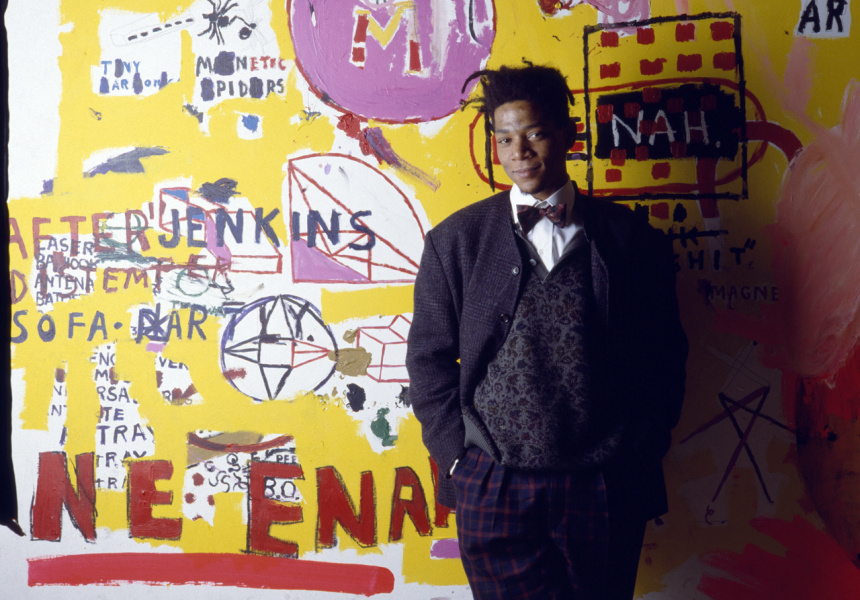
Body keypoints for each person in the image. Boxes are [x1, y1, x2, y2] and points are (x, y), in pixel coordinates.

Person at [406, 64, 688, 599]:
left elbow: (665, 354)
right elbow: (428, 359)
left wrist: (641, 447)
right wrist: (457, 459)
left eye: (534, 133)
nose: (519, 152)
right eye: (504, 138)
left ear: (568, 134)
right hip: (494, 479)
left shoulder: (630, 237)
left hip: (605, 479)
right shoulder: (456, 241)